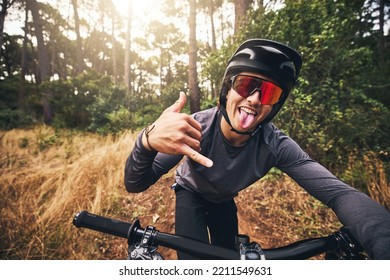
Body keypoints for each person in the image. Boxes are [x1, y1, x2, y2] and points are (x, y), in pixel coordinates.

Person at [124, 39, 390, 260]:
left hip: (223, 200)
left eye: (269, 93)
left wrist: (382, 236)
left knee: (227, 261)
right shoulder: (197, 127)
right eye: (245, 85)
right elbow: (136, 183)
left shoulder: (276, 145)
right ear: (227, 91)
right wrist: (146, 142)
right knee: (192, 262)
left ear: (275, 106)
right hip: (190, 193)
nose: (253, 99)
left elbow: (339, 194)